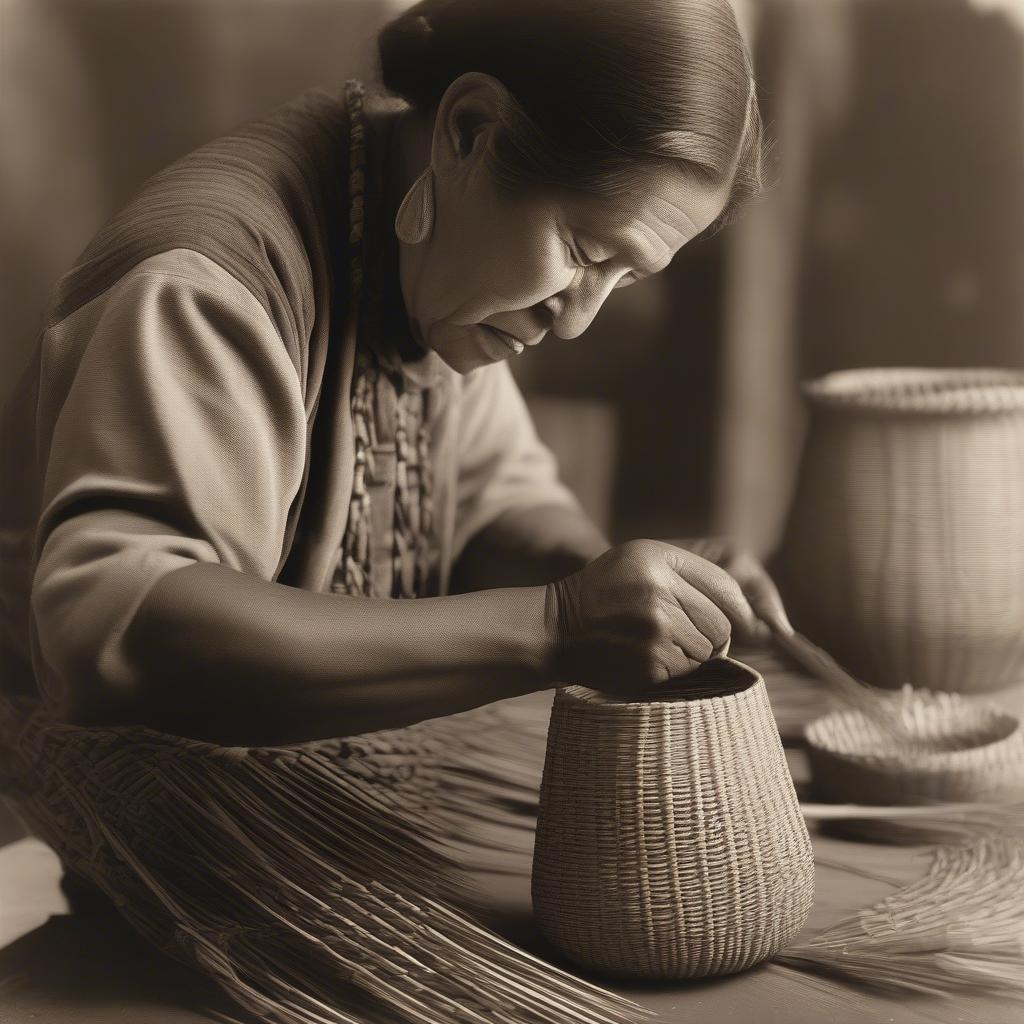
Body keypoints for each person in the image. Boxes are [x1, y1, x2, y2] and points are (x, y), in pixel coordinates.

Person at [0, 0, 791, 749]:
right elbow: (113, 629)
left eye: (624, 278)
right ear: (470, 129)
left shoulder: (435, 255)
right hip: (83, 829)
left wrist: (635, 596)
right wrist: (559, 626)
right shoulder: (207, 284)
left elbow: (490, 512)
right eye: (584, 253)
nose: (576, 318)